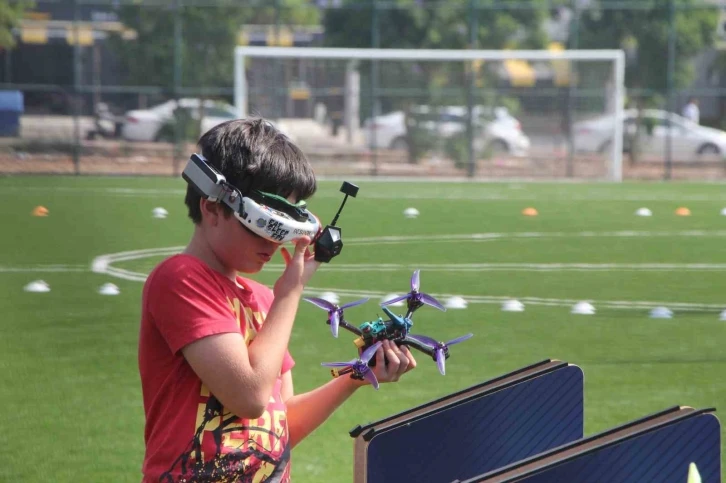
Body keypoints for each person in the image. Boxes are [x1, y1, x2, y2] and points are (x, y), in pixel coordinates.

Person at [138, 118, 417, 483]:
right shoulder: (181, 279)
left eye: (283, 229)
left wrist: (356, 376)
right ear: (212, 208)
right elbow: (250, 396)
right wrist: (290, 292)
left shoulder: (263, 297)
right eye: (262, 227)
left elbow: (278, 425)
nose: (273, 244)